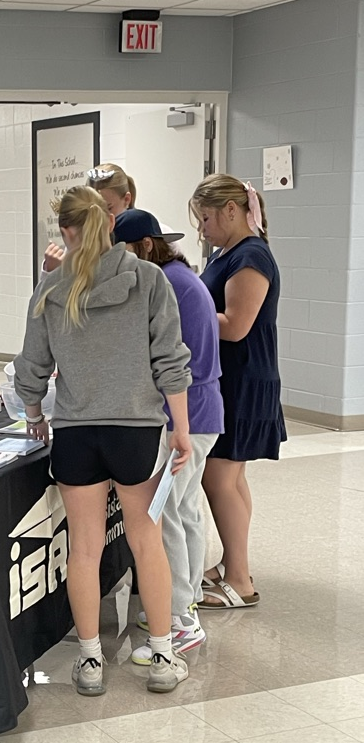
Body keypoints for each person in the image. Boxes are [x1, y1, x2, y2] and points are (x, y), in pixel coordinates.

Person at [13, 186, 193, 696]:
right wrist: (181, 429)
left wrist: (34, 416)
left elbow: (32, 368)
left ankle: (90, 660)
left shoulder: (51, 289)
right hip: (136, 432)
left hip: (77, 434)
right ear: (110, 223)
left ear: (65, 231)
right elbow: (170, 360)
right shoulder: (149, 279)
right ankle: (163, 656)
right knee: (146, 542)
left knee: (85, 550)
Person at [111, 210, 224, 665]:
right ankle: (185, 601)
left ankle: (178, 620)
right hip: (204, 412)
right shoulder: (180, 276)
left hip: (185, 415)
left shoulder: (165, 284)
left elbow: (160, 357)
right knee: (186, 509)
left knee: (166, 515)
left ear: (143, 247)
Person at [190, 175, 286, 610]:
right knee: (231, 477)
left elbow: (235, 325)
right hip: (232, 377)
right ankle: (234, 562)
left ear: (232, 210)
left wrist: (183, 310)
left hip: (243, 378)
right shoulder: (227, 253)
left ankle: (240, 581)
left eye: (206, 219)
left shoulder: (250, 256)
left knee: (218, 478)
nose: (202, 229)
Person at [41, 163, 137, 275]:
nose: (98, 219)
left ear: (127, 199)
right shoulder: (76, 244)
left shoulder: (143, 239)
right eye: (90, 212)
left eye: (108, 208)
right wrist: (52, 273)